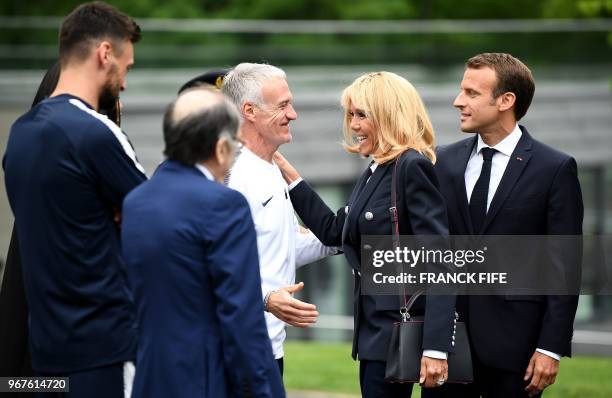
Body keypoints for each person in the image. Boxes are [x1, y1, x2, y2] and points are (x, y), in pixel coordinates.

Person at [274, 71, 456, 397]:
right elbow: (334, 232)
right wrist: (291, 177)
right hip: (376, 334)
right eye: (351, 115)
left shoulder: (411, 166)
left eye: (362, 115)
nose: (353, 125)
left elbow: (440, 260)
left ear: (388, 115)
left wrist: (436, 348)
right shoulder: (375, 170)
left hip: (403, 332)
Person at [2, 3, 146, 397]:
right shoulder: (96, 133)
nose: (125, 84)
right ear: (104, 54)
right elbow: (159, 220)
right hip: (101, 352)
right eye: (127, 67)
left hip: (45, 353)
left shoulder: (20, 135)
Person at [433, 53, 583, 398]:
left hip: (517, 351)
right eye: (461, 91)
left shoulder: (554, 169)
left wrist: (551, 346)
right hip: (446, 348)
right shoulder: (443, 161)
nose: (459, 101)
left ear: (506, 100)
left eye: (471, 93)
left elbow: (565, 265)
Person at [121, 88, 284, 398]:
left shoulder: (136, 201)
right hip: (208, 379)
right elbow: (240, 316)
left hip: (151, 376)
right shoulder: (223, 204)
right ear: (222, 148)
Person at [222, 62, 338, 375]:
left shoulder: (271, 167)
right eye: (283, 105)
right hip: (235, 351)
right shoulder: (230, 175)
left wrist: (345, 232)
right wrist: (266, 298)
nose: (293, 114)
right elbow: (206, 263)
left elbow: (278, 250)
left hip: (268, 349)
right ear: (250, 111)